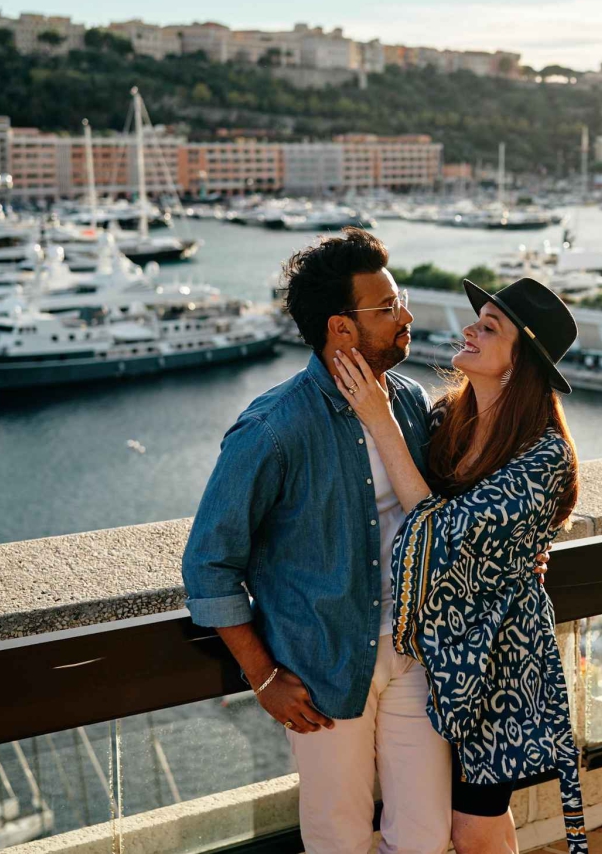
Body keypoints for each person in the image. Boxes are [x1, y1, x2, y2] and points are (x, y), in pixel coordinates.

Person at [181, 228, 451, 854]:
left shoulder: (411, 404)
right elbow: (209, 563)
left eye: (401, 301)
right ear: (341, 329)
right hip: (322, 670)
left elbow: (453, 513)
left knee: (425, 835)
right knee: (338, 838)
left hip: (416, 653)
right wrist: (262, 676)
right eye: (388, 308)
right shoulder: (272, 430)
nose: (406, 317)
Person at [331, 276, 587, 854]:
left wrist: (380, 420)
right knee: (444, 820)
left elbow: (440, 533)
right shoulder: (448, 418)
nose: (469, 329)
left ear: (519, 364)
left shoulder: (546, 455)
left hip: (497, 663)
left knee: (473, 826)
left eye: (489, 327)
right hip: (435, 658)